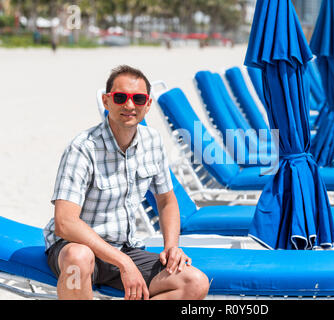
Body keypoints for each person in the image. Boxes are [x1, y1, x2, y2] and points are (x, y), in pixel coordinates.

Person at [43, 65, 210, 300]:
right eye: (120, 97)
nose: (130, 105)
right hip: (75, 248)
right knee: (78, 258)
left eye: (138, 99)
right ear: (106, 101)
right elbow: (65, 223)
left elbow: (166, 201)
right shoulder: (82, 148)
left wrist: (171, 246)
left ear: (148, 104)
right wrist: (123, 263)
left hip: (125, 247)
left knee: (194, 282)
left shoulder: (153, 142)